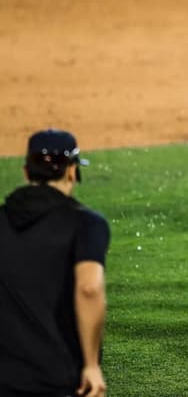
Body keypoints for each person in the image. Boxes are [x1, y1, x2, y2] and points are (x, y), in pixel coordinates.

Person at [0, 129, 109, 397]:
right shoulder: (86, 224)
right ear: (71, 171)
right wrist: (92, 365)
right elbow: (89, 288)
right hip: (59, 375)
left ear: (27, 172)